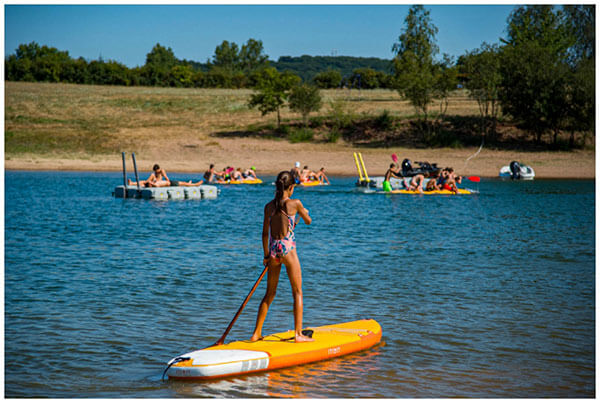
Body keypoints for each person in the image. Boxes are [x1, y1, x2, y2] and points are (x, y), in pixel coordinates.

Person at [251, 171, 313, 343]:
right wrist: (302, 212)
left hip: (273, 251)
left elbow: (265, 233)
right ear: (291, 187)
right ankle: (298, 334)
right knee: (297, 292)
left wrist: (265, 256)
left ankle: (256, 333)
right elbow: (308, 221)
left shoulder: (269, 207)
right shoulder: (295, 203)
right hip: (288, 251)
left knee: (269, 293)